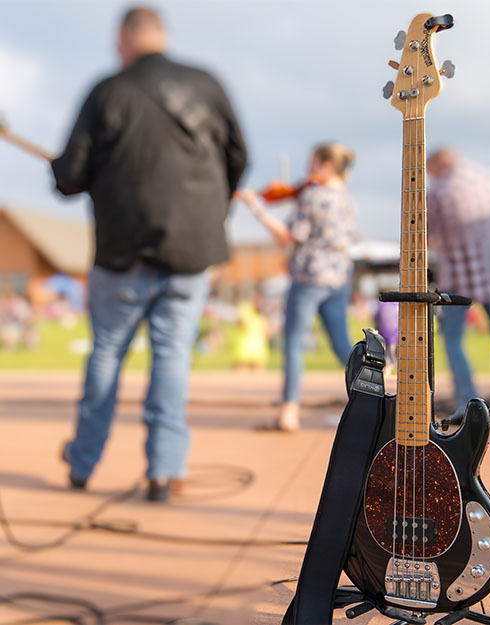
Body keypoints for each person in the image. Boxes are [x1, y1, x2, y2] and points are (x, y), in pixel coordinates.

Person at [51, 6, 247, 501]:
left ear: (124, 40)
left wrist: (70, 168)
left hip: (122, 254)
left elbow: (69, 177)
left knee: (107, 354)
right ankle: (164, 472)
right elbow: (237, 158)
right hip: (189, 251)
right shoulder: (207, 83)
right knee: (172, 357)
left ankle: (83, 462)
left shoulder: (108, 91)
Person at [237, 143, 358, 431]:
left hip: (309, 277)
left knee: (293, 343)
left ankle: (288, 412)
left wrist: (257, 208)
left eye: (312, 164)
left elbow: (288, 236)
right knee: (342, 344)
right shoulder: (346, 198)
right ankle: (377, 400)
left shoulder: (314, 196)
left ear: (326, 165)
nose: (308, 171)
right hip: (339, 277)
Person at [427, 148, 490, 417]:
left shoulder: (441, 189)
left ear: (436, 166)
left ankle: (467, 402)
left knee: (453, 339)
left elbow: (427, 233)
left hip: (458, 275)